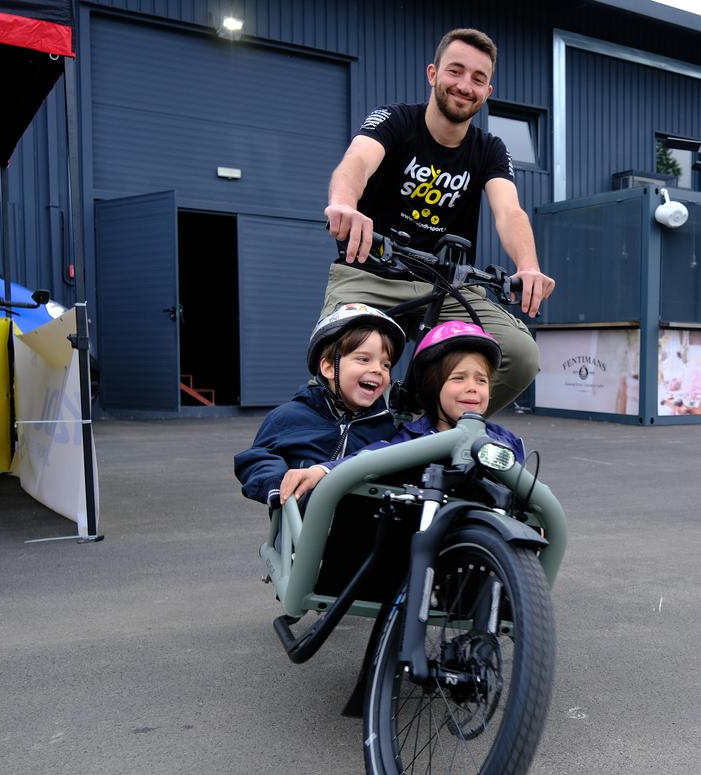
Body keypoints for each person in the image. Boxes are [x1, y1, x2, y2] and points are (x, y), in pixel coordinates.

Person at [322, 27, 554, 415]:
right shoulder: (396, 119)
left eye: (478, 78)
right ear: (433, 74)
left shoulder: (490, 149)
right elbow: (357, 161)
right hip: (373, 271)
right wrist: (345, 204)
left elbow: (509, 211)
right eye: (455, 71)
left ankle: (431, 430)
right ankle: (342, 442)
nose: (465, 85)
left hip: (447, 283)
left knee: (519, 355)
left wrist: (528, 266)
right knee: (336, 367)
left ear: (487, 92)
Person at [280, 320, 524, 503]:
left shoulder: (505, 442)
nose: (473, 388)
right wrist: (323, 470)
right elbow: (371, 458)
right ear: (432, 387)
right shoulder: (411, 439)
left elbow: (525, 493)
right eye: (458, 378)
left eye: (481, 380)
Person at [234, 303, 407, 508]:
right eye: (363, 359)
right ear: (328, 367)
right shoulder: (289, 416)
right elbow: (258, 457)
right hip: (305, 526)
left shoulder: (386, 429)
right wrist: (275, 482)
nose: (378, 370)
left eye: (386, 364)